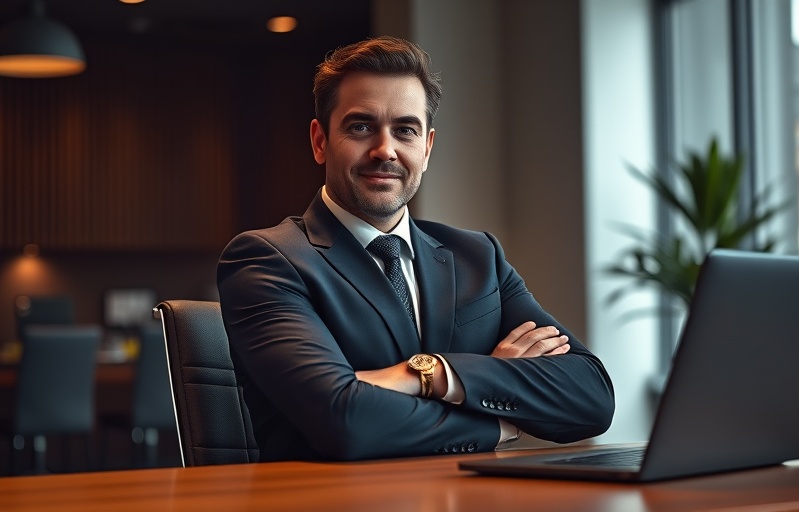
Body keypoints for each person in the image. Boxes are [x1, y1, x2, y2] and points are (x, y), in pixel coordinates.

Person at [217, 36, 615, 462]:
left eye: (405, 130)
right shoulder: (267, 259)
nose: (385, 149)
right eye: (360, 126)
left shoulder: (478, 256)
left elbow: (590, 396)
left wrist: (428, 373)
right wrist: (495, 417)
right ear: (319, 141)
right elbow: (344, 421)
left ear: (426, 149)